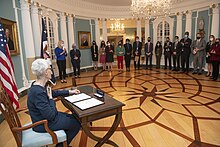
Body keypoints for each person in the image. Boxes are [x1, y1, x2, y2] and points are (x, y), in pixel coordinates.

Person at [28, 59, 81, 147]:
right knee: (76, 123)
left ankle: (63, 143)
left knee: (75, 117)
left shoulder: (37, 85)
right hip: (43, 123)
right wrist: (51, 99)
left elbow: (51, 93)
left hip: (46, 119)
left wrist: (69, 92)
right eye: (50, 69)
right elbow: (51, 115)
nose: (52, 72)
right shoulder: (38, 92)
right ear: (45, 72)